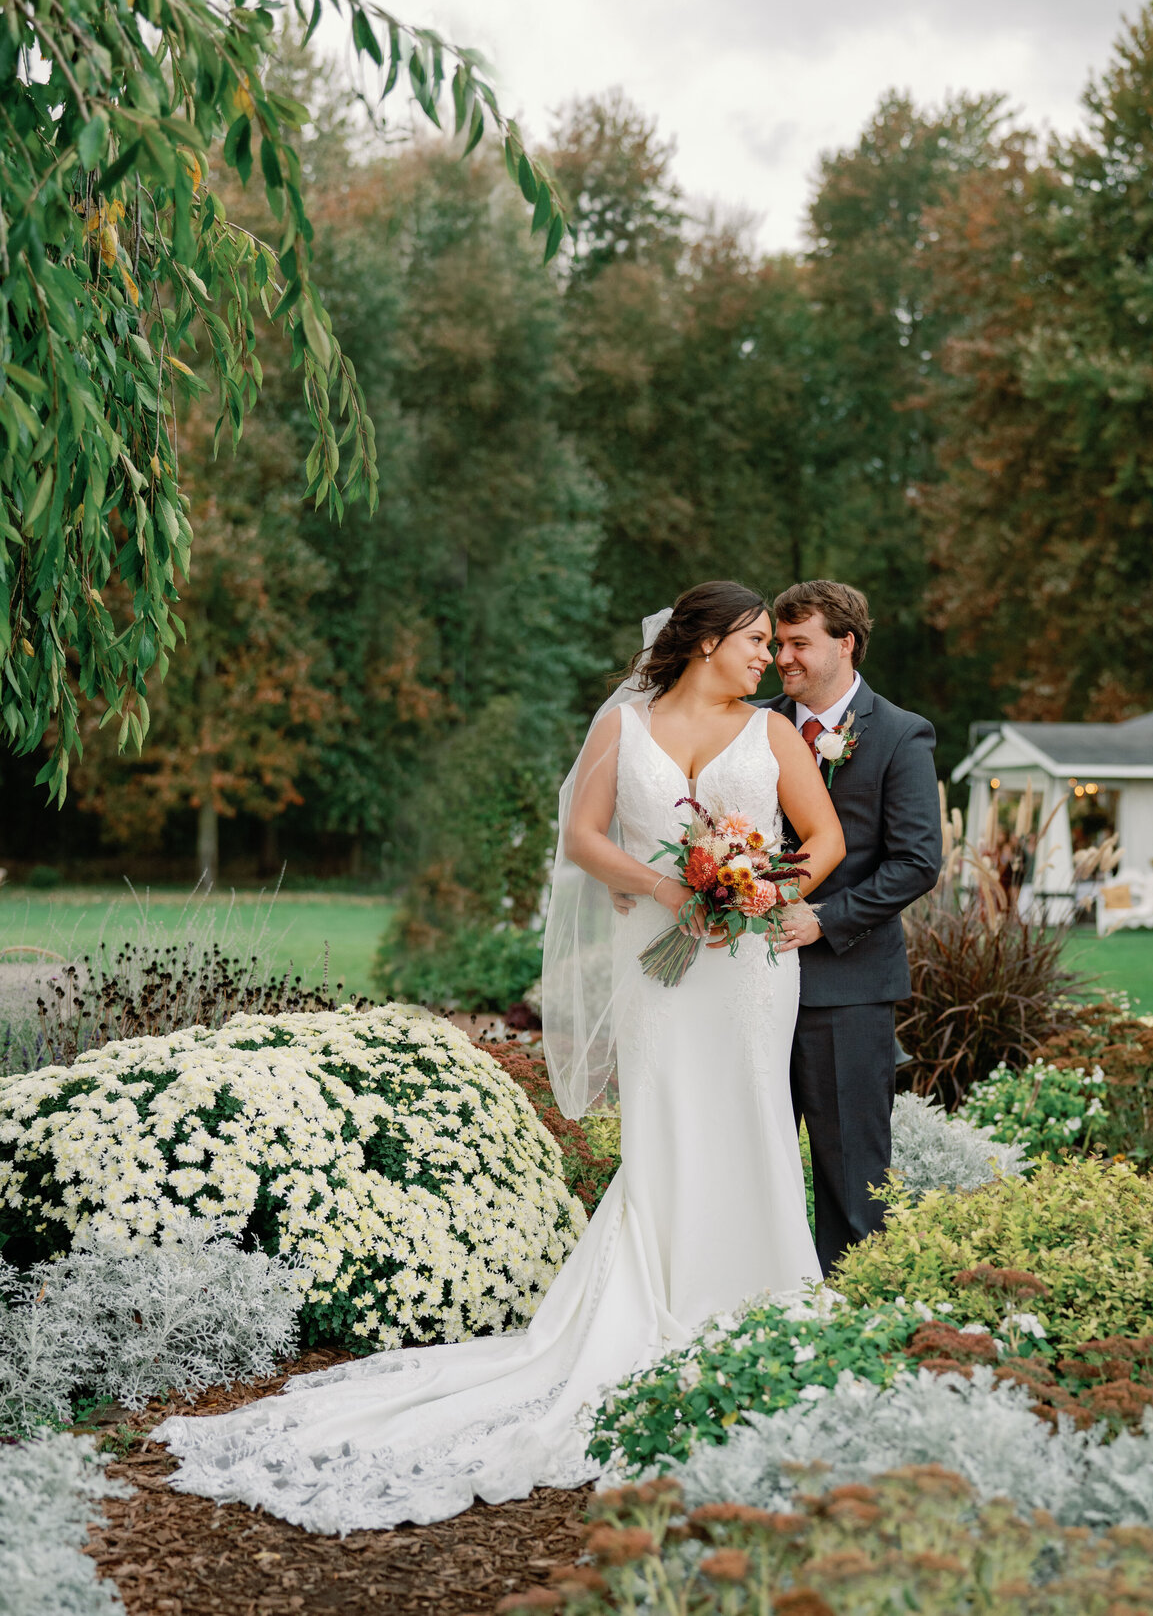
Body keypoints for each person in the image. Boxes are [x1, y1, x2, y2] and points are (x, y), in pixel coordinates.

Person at [153, 583, 845, 1533]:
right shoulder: (626, 724)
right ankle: (659, 1292)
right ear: (704, 640)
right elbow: (582, 835)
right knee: (667, 1118)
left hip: (750, 970)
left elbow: (826, 839)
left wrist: (755, 892)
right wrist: (670, 885)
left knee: (751, 1114)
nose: (770, 655)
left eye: (773, 642)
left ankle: (761, 1288)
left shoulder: (772, 736)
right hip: (657, 958)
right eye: (756, 640)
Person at [754, 581, 942, 1276]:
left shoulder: (898, 732)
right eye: (778, 643)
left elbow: (918, 861)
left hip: (850, 989)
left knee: (852, 1178)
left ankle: (851, 1318)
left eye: (798, 642)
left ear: (845, 643)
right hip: (751, 983)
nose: (783, 657)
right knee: (754, 1164)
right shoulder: (756, 727)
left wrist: (824, 919)